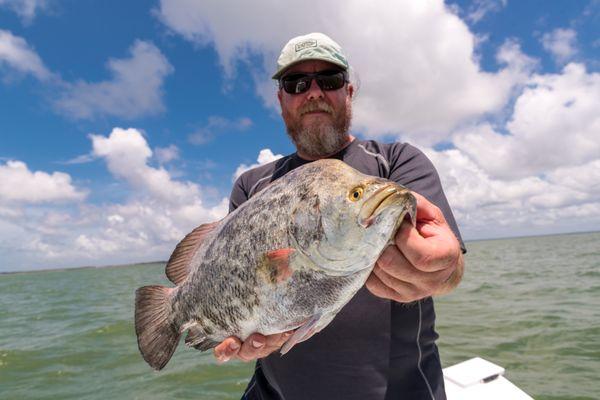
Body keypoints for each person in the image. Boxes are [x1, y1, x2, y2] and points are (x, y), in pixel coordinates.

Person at [212, 32, 465, 400]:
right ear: (282, 100)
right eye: (296, 83)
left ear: (348, 92)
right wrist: (237, 331)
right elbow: (234, 281)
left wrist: (443, 268)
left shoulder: (395, 164)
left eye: (329, 80)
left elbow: (450, 265)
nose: (313, 92)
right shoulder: (252, 186)